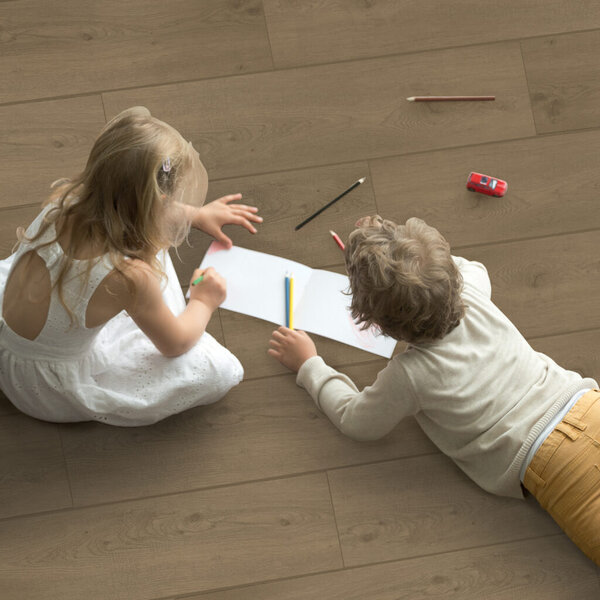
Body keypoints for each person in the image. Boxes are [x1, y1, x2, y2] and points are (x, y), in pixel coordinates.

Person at [268, 214, 600, 565]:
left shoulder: (411, 374)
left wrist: (309, 365)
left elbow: (356, 421)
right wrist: (395, 243)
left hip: (552, 461)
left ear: (376, 324)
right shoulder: (472, 289)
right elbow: (468, 268)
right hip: (585, 405)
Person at [0, 106, 262, 426]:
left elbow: (129, 200)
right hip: (42, 385)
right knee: (215, 369)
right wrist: (204, 301)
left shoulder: (65, 202)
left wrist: (196, 215)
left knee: (142, 256)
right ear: (159, 202)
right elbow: (175, 343)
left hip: (12, 336)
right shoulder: (130, 277)